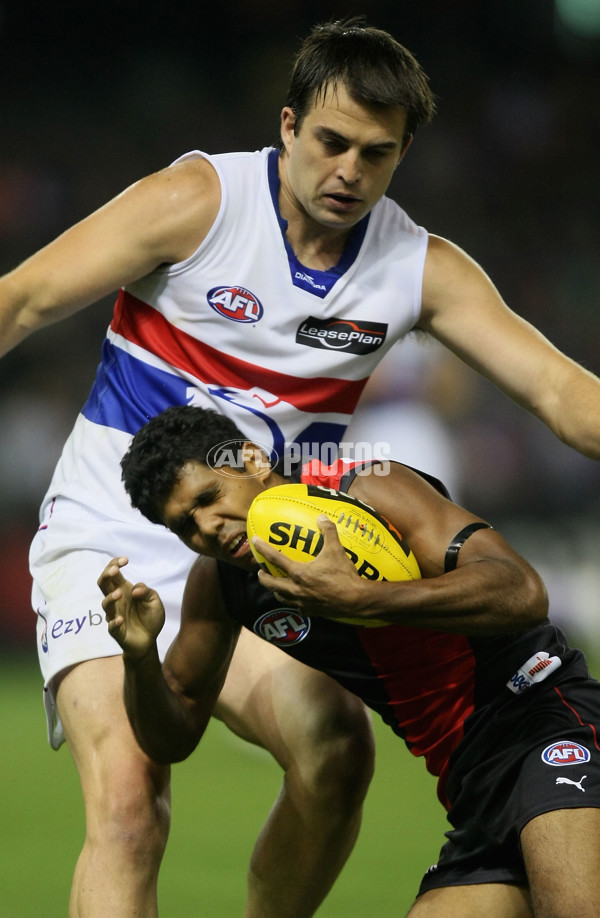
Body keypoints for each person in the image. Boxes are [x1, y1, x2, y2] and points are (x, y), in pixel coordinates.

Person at [1, 15, 600, 918]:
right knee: (131, 805)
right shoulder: (197, 203)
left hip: (249, 551)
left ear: (403, 154)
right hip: (114, 534)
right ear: (287, 126)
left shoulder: (416, 267)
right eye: (330, 142)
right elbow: (21, 300)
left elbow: (562, 394)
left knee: (336, 749)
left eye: (376, 153)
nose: (349, 172)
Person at [99, 404, 600, 918]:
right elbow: (173, 733)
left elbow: (522, 590)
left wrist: (364, 599)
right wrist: (139, 657)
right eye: (185, 525)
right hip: (470, 786)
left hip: (545, 719)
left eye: (210, 497)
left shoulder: (366, 491)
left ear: (249, 459)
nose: (208, 527)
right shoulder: (223, 585)